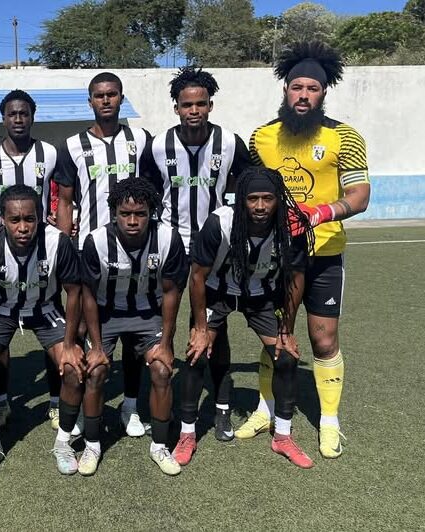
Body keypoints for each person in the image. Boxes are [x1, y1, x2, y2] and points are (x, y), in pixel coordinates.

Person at [243, 41, 371, 458]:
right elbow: (250, 193)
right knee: (273, 339)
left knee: (323, 338)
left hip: (324, 255)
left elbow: (359, 195)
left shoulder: (344, 136)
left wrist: (319, 213)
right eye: (296, 86)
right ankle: (265, 409)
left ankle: (329, 422)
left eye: (311, 88)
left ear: (323, 92)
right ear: (284, 89)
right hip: (275, 257)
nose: (302, 95)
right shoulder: (261, 137)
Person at [144, 66, 252, 442]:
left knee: (212, 328)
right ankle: (161, 400)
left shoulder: (230, 142)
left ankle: (220, 409)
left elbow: (253, 181)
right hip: (173, 245)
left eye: (201, 104)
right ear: (176, 107)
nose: (194, 110)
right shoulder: (158, 145)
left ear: (210, 105)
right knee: (165, 322)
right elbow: (145, 192)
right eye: (187, 104)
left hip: (217, 248)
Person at [182, 166, 315, 468]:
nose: (259, 206)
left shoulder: (291, 225)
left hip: (260, 296)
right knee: (196, 355)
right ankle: (187, 433)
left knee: (286, 358)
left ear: (278, 199)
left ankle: (282, 436)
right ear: (241, 198)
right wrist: (201, 328)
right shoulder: (220, 222)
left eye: (267, 198)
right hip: (218, 292)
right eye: (252, 198)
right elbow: (198, 276)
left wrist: (287, 329)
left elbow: (296, 278)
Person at [0, 185, 84, 477]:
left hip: (45, 311)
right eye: (15, 220)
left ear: (39, 217)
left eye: (29, 219)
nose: (23, 227)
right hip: (0, 312)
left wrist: (69, 343)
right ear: (1, 218)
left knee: (74, 367)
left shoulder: (58, 242)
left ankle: (64, 443)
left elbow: (74, 293)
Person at [54, 71, 153, 437]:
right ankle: (78, 407)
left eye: (112, 94)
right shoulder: (73, 146)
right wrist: (65, 246)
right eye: (99, 95)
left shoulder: (141, 140)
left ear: (121, 98)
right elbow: (65, 200)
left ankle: (129, 405)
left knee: (132, 330)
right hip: (89, 252)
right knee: (79, 327)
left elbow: (153, 193)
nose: (106, 100)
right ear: (90, 101)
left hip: (135, 251)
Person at [81, 179, 189, 476]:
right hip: (106, 312)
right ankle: (92, 444)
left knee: (162, 370)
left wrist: (166, 344)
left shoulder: (168, 238)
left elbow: (171, 293)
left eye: (140, 214)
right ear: (113, 212)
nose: (132, 221)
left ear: (151, 212)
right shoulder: (97, 241)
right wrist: (97, 346)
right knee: (96, 370)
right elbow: (87, 295)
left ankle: (160, 446)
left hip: (147, 313)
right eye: (124, 213)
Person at [0, 89, 63, 430]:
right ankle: (1, 400)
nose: (18, 119)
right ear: (3, 118)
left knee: (49, 312)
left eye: (24, 113)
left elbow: (64, 193)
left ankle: (56, 401)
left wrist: (59, 221)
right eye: (12, 114)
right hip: (1, 246)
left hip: (42, 243)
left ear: (32, 116)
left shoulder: (50, 153)